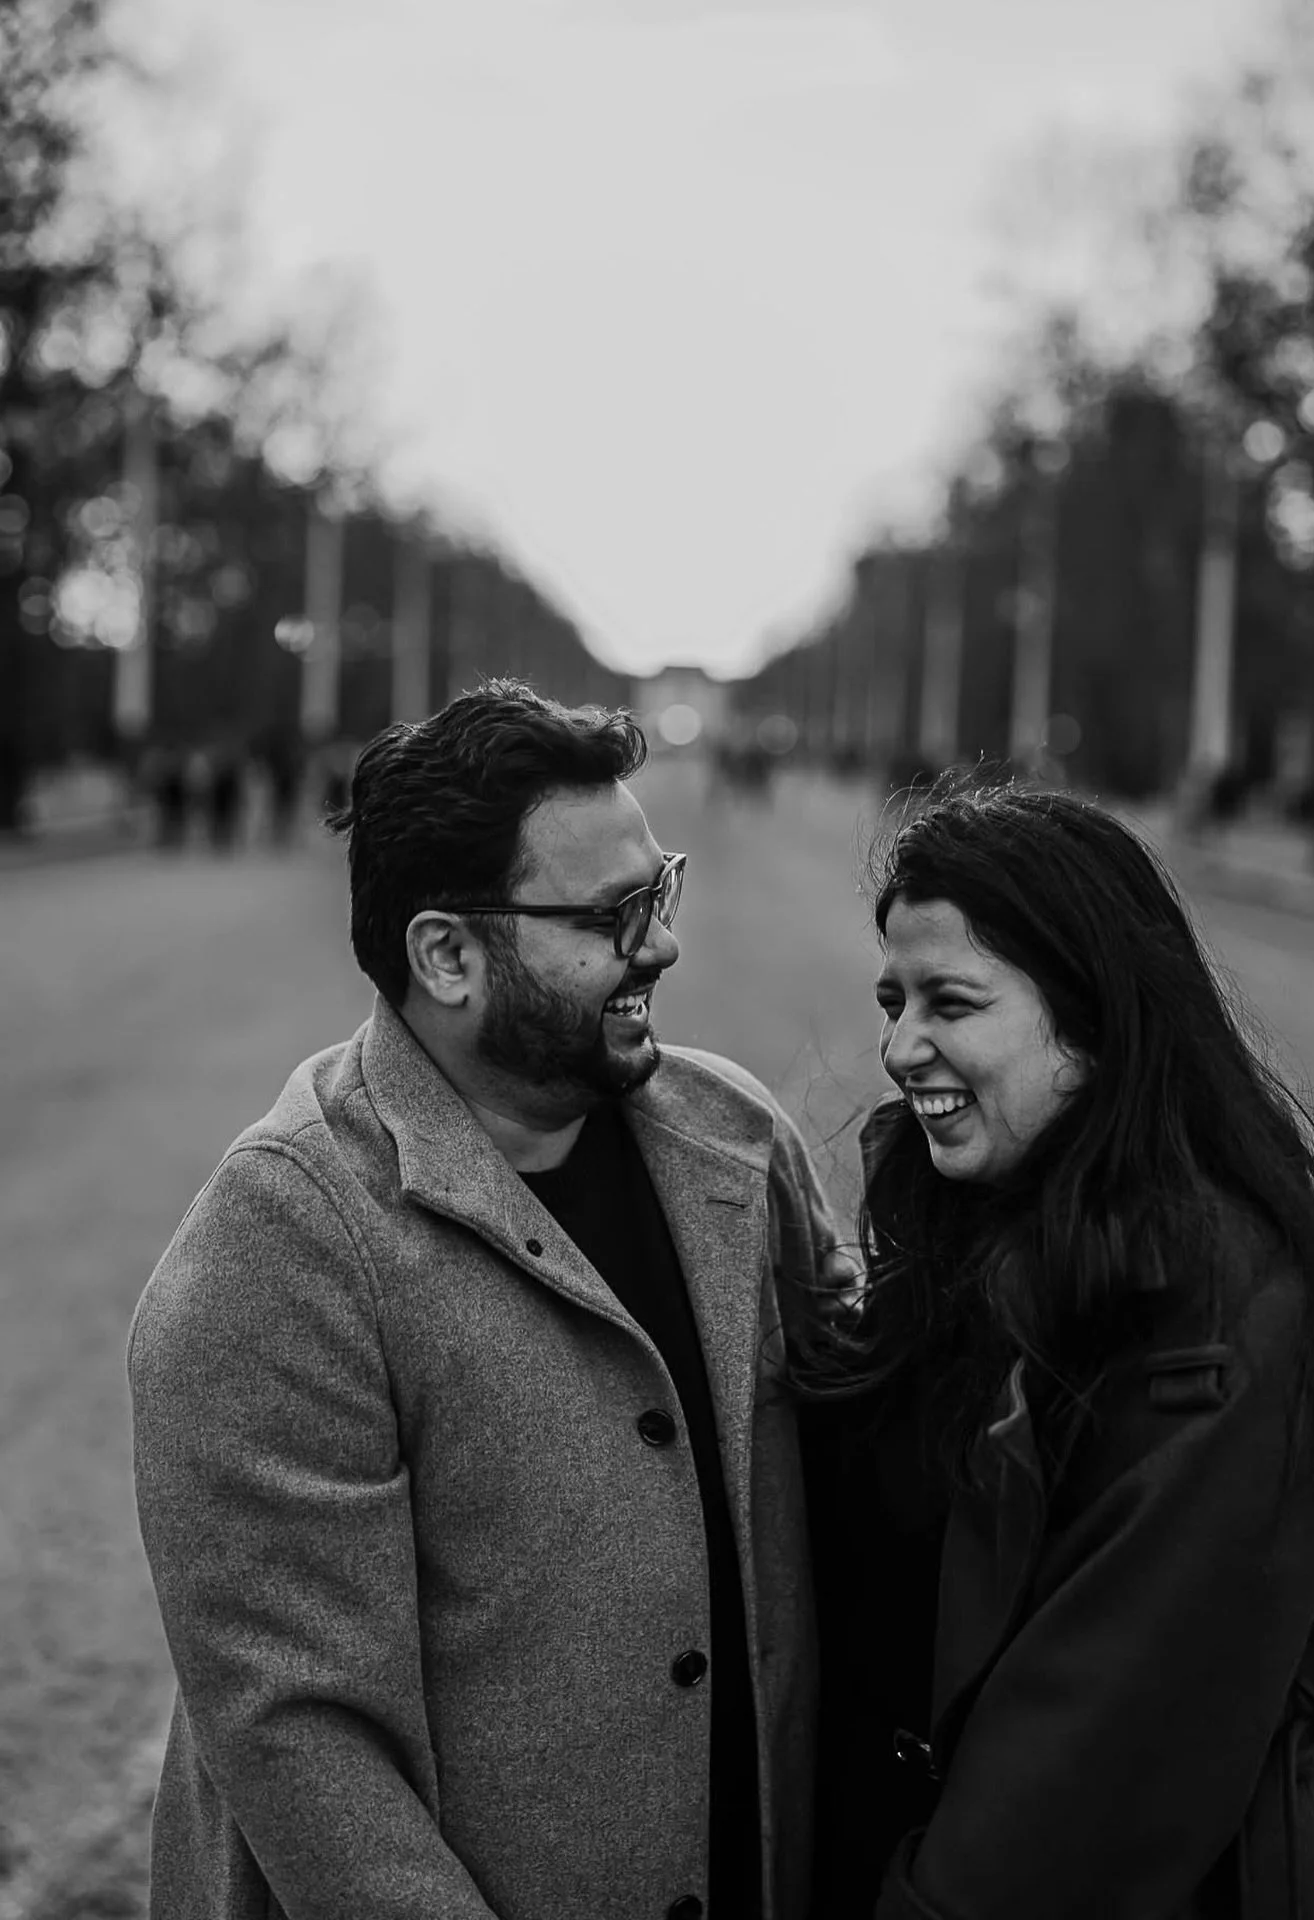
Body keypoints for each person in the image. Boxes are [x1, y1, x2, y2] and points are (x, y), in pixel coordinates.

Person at [128, 679, 840, 1920]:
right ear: (447, 956)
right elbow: (306, 1748)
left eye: (659, 891)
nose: (660, 946)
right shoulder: (282, 1243)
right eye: (612, 916)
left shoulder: (738, 1138)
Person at [796, 780, 1314, 1920]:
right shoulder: (974, 1242)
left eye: (952, 1003)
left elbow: (1083, 1785)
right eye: (893, 1000)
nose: (899, 1047)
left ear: (1092, 1025)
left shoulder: (1226, 1323)